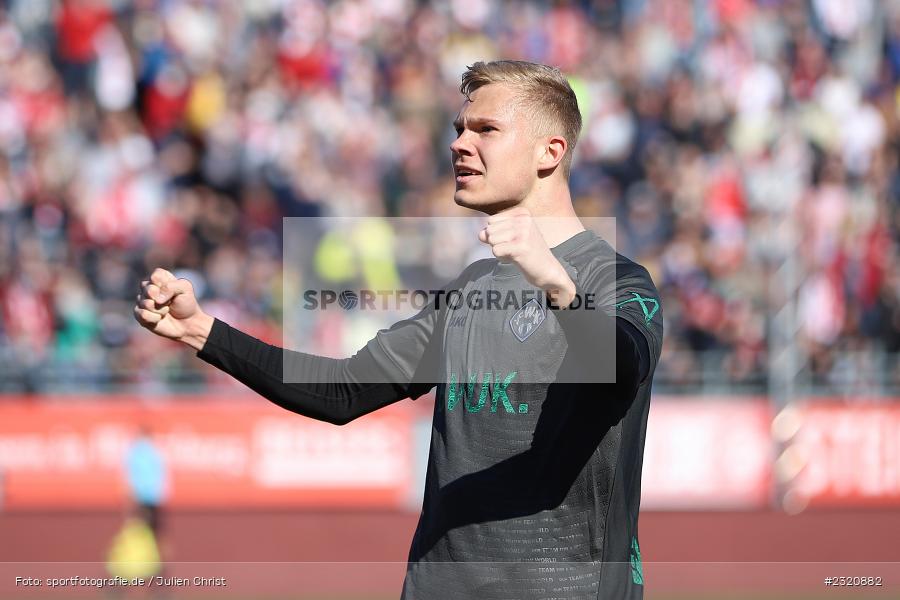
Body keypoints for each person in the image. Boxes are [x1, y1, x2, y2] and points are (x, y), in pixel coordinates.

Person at [134, 60, 663, 599]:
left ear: (549, 152)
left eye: (486, 130)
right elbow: (342, 391)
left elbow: (621, 370)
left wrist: (557, 286)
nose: (459, 143)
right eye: (459, 128)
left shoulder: (617, 280)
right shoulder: (468, 291)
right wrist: (201, 331)